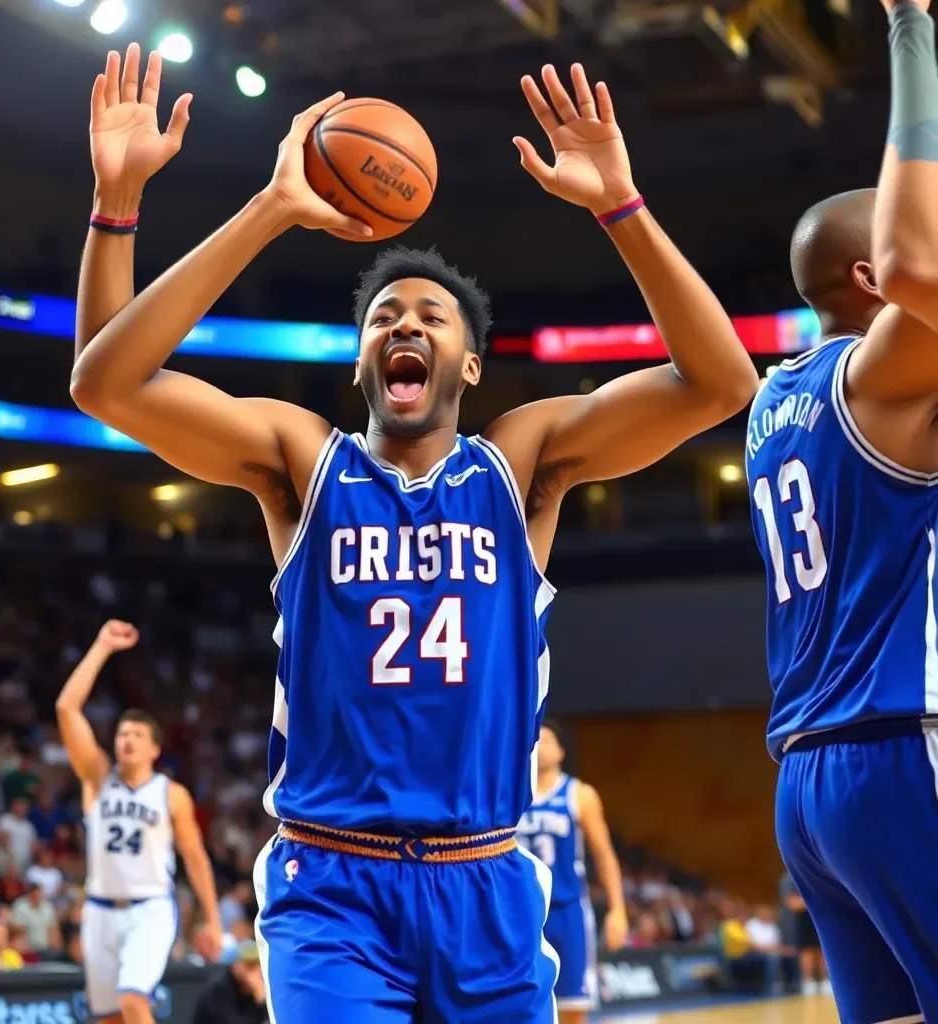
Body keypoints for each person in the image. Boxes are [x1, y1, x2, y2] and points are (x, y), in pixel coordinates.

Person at [70, 44, 757, 1022]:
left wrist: (621, 208)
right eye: (385, 314)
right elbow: (107, 382)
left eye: (431, 315)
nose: (406, 323)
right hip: (333, 886)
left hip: (487, 880)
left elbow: (721, 384)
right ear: (362, 361)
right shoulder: (303, 462)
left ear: (468, 366)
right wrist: (224, 205)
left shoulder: (518, 463)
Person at [746, 0, 938, 1019]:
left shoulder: (776, 401)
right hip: (902, 744)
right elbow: (925, 263)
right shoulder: (880, 379)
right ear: (868, 280)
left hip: (809, 785)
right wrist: (912, 29)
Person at [56, 620, 222, 1024]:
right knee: (109, 1019)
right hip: (98, 912)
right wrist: (101, 647)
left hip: (150, 908)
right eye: (121, 733)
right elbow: (66, 708)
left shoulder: (171, 793)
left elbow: (195, 857)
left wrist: (213, 919)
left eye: (135, 735)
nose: (125, 740)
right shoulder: (97, 778)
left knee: (133, 1001)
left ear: (154, 749)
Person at [516, 721, 627, 1023]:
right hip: (518, 912)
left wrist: (618, 909)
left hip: (566, 911)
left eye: (548, 739)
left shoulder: (579, 794)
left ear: (562, 751)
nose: (539, 744)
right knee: (514, 1001)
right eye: (535, 738)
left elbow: (603, 855)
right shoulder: (510, 792)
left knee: (573, 1004)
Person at [192, 939, 269, 1024]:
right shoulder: (218, 993)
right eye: (250, 966)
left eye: (259, 966)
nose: (254, 973)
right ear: (236, 965)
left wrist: (263, 1002)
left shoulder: (257, 993)